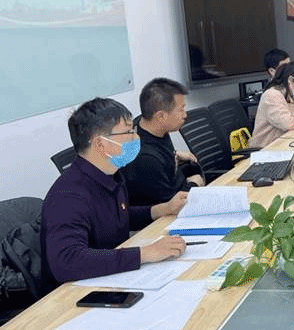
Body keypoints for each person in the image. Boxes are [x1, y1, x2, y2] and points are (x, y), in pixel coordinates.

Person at [41, 98, 188, 288]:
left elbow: (116, 216)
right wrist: (145, 253)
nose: (136, 137)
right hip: (76, 292)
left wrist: (163, 209)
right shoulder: (68, 196)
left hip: (113, 277)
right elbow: (67, 261)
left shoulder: (110, 174)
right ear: (100, 144)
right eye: (128, 132)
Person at [122, 78, 204, 208]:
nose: (185, 115)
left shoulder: (146, 125)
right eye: (181, 110)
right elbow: (170, 205)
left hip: (177, 188)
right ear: (161, 116)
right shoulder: (145, 159)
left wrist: (174, 153)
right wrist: (194, 184)